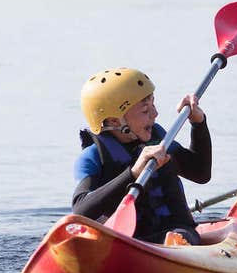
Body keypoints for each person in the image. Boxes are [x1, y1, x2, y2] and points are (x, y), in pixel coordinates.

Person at [73, 67, 211, 245]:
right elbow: (79, 211)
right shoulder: (93, 156)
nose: (155, 114)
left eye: (153, 104)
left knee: (183, 236)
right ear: (116, 121)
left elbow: (200, 173)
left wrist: (198, 123)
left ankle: (174, 246)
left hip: (177, 233)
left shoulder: (159, 139)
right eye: (145, 110)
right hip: (125, 242)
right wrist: (133, 173)